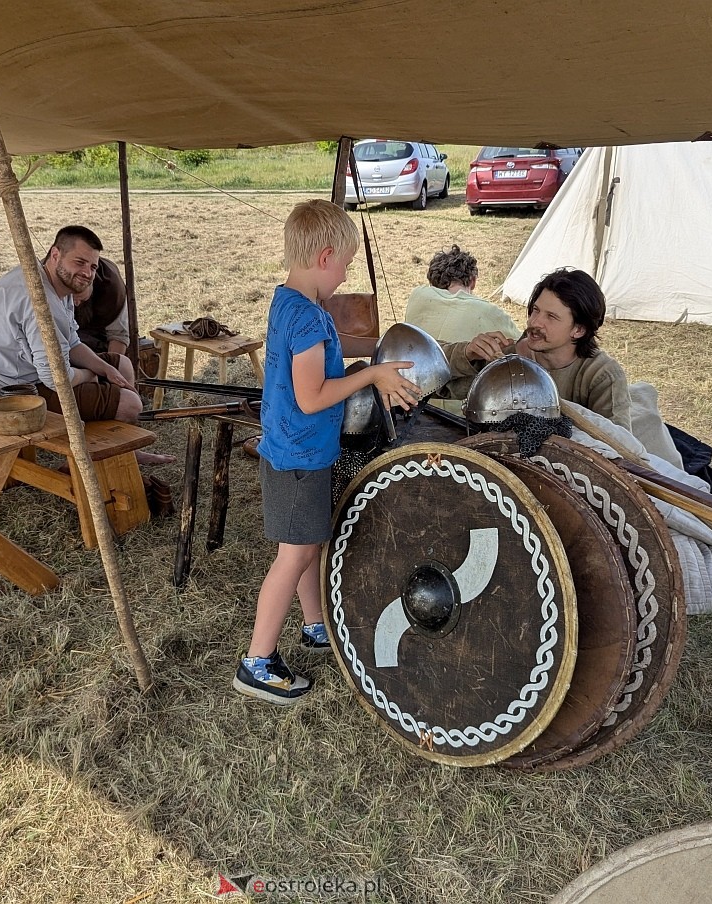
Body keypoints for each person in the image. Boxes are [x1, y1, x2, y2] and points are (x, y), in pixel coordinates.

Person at [234, 199, 422, 705]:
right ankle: (257, 662)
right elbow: (312, 397)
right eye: (345, 265)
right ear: (325, 257)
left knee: (307, 545)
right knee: (293, 556)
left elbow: (317, 363)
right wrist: (372, 374)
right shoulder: (310, 320)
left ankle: (316, 625)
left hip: (293, 451)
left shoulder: (287, 302)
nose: (344, 276)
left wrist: (370, 358)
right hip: (300, 459)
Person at [0, 224, 173, 465]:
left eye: (93, 266)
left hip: (27, 373)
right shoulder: (40, 300)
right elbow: (56, 379)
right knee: (130, 405)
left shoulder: (53, 282)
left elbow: (72, 341)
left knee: (121, 365)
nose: (87, 273)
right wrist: (89, 375)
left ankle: (123, 450)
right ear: (55, 254)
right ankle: (83, 460)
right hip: (9, 391)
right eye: (80, 262)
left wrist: (105, 369)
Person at [441, 267, 632, 429]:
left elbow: (618, 451)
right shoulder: (506, 356)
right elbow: (436, 385)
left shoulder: (602, 376)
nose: (535, 322)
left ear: (579, 330)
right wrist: (466, 354)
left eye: (551, 317)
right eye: (535, 310)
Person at [404, 244, 519, 343]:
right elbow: (520, 345)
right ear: (473, 281)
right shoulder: (489, 312)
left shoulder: (418, 296)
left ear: (431, 280)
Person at [72, 249, 130, 358]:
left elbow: (118, 335)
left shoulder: (111, 289)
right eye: (71, 298)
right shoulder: (49, 282)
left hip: (99, 342)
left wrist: (110, 364)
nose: (76, 303)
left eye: (81, 298)